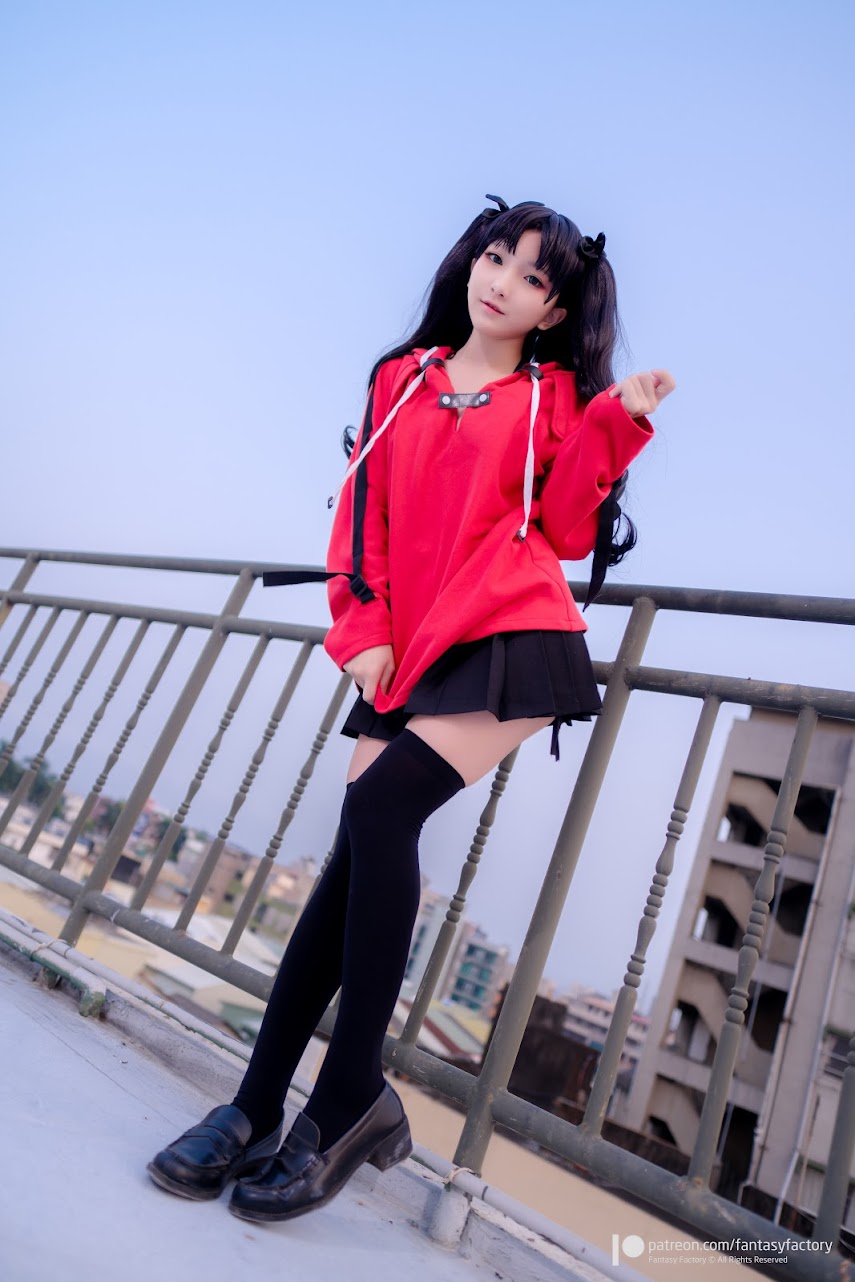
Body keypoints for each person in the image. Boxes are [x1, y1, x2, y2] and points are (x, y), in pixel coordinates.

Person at [146, 194, 675, 1223]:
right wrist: (363, 627)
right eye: (495, 257)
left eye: (532, 277)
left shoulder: (552, 396)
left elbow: (566, 529)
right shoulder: (403, 380)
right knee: (352, 861)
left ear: (554, 311)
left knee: (381, 809)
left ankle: (347, 1098)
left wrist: (618, 420)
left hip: (510, 630)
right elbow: (362, 517)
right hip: (411, 644)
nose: (501, 282)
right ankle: (258, 1105)